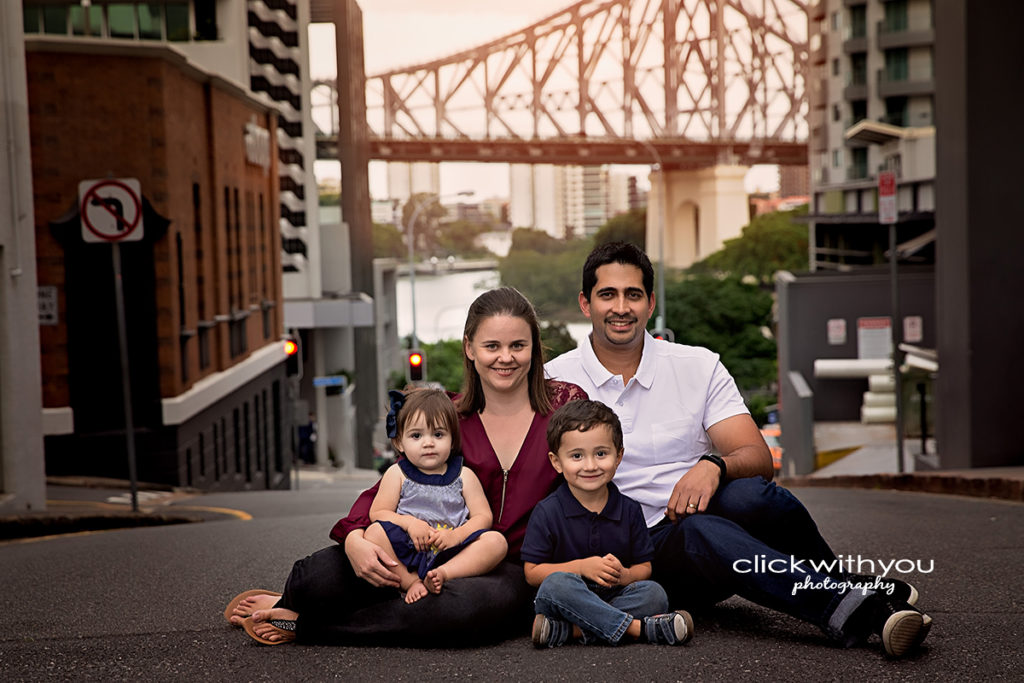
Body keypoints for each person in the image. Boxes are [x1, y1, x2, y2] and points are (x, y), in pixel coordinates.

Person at [544, 241, 931, 658]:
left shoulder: (697, 365)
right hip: (635, 560)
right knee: (700, 532)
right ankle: (859, 610)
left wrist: (713, 465)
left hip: (701, 522)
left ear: (650, 302)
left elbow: (757, 457)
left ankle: (846, 589)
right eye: (607, 295)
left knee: (752, 492)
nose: (621, 307)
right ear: (586, 303)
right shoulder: (554, 382)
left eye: (633, 294)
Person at [227, 287, 587, 645]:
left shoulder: (563, 409)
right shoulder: (447, 417)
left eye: (517, 346)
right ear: (469, 348)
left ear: (534, 348)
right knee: (316, 579)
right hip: (415, 550)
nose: (505, 358)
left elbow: (590, 481)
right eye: (492, 346)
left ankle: (304, 626)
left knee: (454, 613)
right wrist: (355, 541)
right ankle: (294, 600)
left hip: (498, 566)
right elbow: (384, 490)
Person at [523, 399, 693, 648]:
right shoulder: (547, 511)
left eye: (601, 454)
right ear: (556, 462)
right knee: (556, 584)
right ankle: (639, 629)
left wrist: (625, 576)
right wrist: (581, 567)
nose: (590, 465)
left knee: (654, 593)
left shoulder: (630, 509)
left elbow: (643, 567)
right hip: (567, 599)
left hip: (614, 595)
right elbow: (532, 573)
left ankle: (573, 632)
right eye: (577, 456)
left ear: (619, 456)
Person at [365, 388, 507, 603]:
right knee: (374, 533)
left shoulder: (464, 475)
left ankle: (444, 574)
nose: (428, 442)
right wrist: (410, 523)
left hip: (453, 550)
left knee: (496, 542)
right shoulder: (397, 474)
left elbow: (483, 517)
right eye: (416, 435)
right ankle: (411, 581)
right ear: (399, 442)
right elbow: (378, 512)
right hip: (409, 548)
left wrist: (456, 536)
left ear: (452, 440)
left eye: (438, 434)